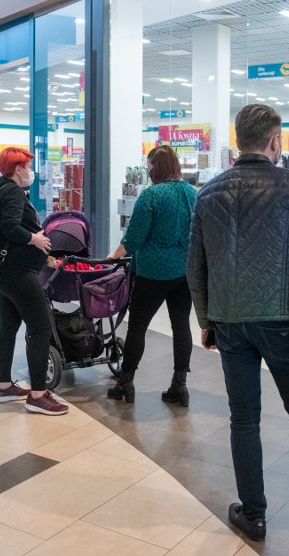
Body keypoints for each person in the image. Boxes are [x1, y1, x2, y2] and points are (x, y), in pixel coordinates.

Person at [187, 104, 289, 542]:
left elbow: (194, 267)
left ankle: (253, 514)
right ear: (275, 141)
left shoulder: (208, 193)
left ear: (239, 139)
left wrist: (206, 318)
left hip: (230, 322)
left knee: (244, 418)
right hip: (283, 320)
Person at [106, 145, 198, 405]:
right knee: (181, 326)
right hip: (183, 272)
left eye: (149, 167)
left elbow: (134, 237)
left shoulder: (151, 196)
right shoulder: (193, 193)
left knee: (137, 326)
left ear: (155, 167)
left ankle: (126, 382)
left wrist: (115, 255)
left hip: (153, 272)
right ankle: (179, 385)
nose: (148, 172)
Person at [0, 147, 68, 416]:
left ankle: (4, 386)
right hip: (18, 271)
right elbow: (9, 226)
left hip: (4, 272)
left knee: (8, 327)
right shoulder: (13, 191)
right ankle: (38, 395)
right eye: (27, 166)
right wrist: (35, 238)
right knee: (41, 329)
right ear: (18, 169)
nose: (30, 170)